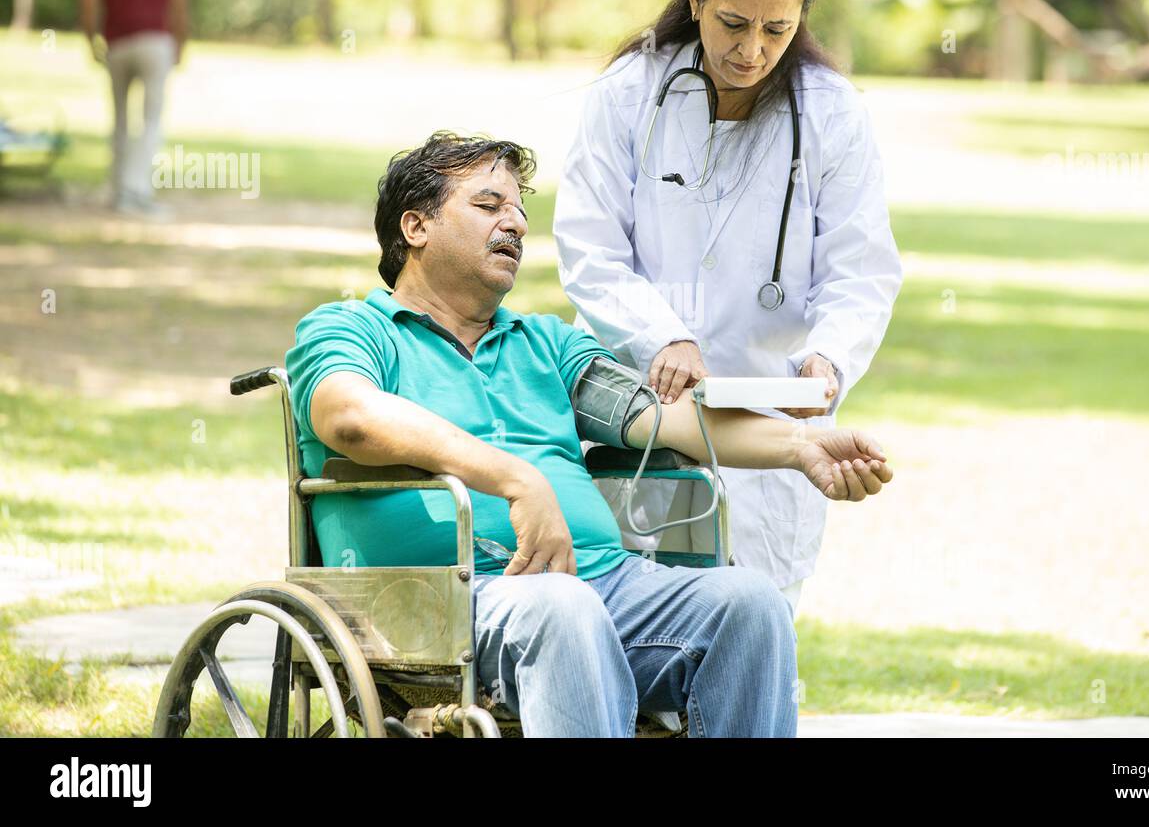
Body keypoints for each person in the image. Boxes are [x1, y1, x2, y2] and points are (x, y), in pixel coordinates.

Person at [285, 131, 894, 737]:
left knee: (750, 604)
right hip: (433, 599)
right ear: (415, 227)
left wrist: (800, 446)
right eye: (490, 205)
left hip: (601, 584)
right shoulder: (352, 328)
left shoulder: (547, 345)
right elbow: (350, 417)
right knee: (561, 605)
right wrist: (515, 479)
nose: (517, 224)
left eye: (520, 211)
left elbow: (667, 420)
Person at [553, 0, 903, 613]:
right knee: (636, 638)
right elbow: (590, 246)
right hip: (648, 410)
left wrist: (829, 358)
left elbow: (860, 268)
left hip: (774, 411)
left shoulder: (832, 113)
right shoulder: (628, 92)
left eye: (778, 29)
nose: (753, 51)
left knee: (755, 635)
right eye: (733, 23)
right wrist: (663, 335)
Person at [78, 0, 187, 218]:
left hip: (118, 41)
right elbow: (178, 0)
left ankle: (119, 190)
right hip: (156, 40)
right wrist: (181, 41)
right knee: (151, 119)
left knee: (121, 119)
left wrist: (90, 39)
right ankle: (137, 190)